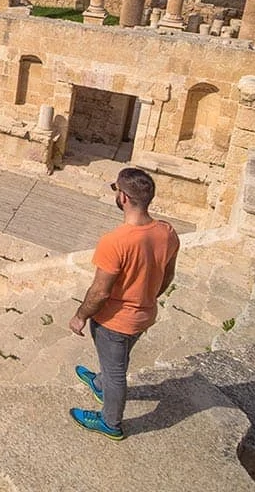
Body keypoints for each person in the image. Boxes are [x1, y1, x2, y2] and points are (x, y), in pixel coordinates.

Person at [68, 167, 180, 440]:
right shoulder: (167, 232)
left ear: (124, 198)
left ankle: (110, 422)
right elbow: (168, 275)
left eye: (116, 189)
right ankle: (98, 382)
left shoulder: (115, 242)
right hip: (144, 314)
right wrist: (147, 299)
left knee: (117, 371)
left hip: (115, 320)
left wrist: (80, 316)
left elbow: (100, 292)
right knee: (116, 360)